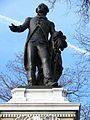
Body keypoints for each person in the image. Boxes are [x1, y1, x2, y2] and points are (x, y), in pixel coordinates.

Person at [9, 3, 56, 86]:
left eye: (42, 7)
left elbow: (54, 34)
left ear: (46, 11)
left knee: (46, 61)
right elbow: (22, 27)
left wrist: (59, 36)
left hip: (43, 44)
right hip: (32, 43)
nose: (40, 8)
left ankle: (48, 81)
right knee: (31, 63)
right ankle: (31, 82)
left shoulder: (50, 23)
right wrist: (15, 28)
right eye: (40, 7)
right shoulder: (30, 19)